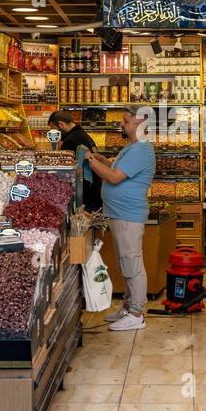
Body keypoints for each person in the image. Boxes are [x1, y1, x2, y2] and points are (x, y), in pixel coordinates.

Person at [86, 108, 155, 331]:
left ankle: (136, 314)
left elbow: (115, 178)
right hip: (118, 213)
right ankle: (127, 306)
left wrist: (90, 161)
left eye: (126, 121)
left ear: (138, 123)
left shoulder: (142, 149)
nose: (122, 124)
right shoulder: (132, 146)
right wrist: (102, 160)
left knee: (132, 263)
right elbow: (117, 169)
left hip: (128, 214)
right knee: (124, 262)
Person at [48, 110, 101, 212]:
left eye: (53, 129)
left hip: (84, 198)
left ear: (61, 125)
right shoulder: (80, 133)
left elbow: (65, 172)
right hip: (93, 192)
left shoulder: (70, 141)